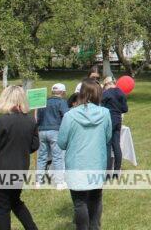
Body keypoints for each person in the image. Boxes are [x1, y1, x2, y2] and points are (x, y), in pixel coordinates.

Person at [58, 79, 112, 230]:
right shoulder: (105, 113)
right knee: (95, 199)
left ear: (81, 94)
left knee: (80, 202)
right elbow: (107, 137)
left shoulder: (70, 115)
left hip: (77, 164)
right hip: (97, 162)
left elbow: (61, 142)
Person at [0, 85, 39, 230]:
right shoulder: (30, 121)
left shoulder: (2, 121)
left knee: (2, 207)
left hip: (1, 169)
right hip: (20, 169)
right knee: (15, 201)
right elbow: (34, 146)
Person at [36, 82, 69, 188]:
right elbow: (66, 117)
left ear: (52, 92)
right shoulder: (62, 102)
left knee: (41, 157)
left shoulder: (43, 102)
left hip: (41, 131)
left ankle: (38, 182)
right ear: (63, 92)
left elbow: (37, 118)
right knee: (57, 157)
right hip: (55, 131)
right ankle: (59, 182)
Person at [100, 77, 128, 178]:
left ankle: (107, 174)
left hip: (108, 121)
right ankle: (116, 173)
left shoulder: (106, 94)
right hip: (118, 120)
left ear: (107, 84)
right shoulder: (121, 93)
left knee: (107, 146)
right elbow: (125, 109)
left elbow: (100, 109)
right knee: (116, 145)